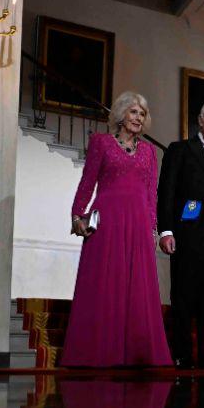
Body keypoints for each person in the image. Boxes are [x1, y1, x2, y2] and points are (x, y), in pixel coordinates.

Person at [61, 91, 171, 367]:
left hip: (138, 223)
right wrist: (77, 216)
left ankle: (136, 354)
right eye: (134, 112)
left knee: (136, 288)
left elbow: (151, 194)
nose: (138, 118)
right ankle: (98, 352)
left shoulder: (148, 151)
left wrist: (152, 229)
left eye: (142, 113)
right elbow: (87, 183)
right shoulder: (101, 143)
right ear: (121, 114)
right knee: (104, 282)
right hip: (107, 220)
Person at [157, 99, 204, 370]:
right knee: (184, 294)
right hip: (189, 225)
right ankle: (182, 354)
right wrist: (166, 230)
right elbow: (166, 192)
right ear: (200, 120)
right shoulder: (181, 149)